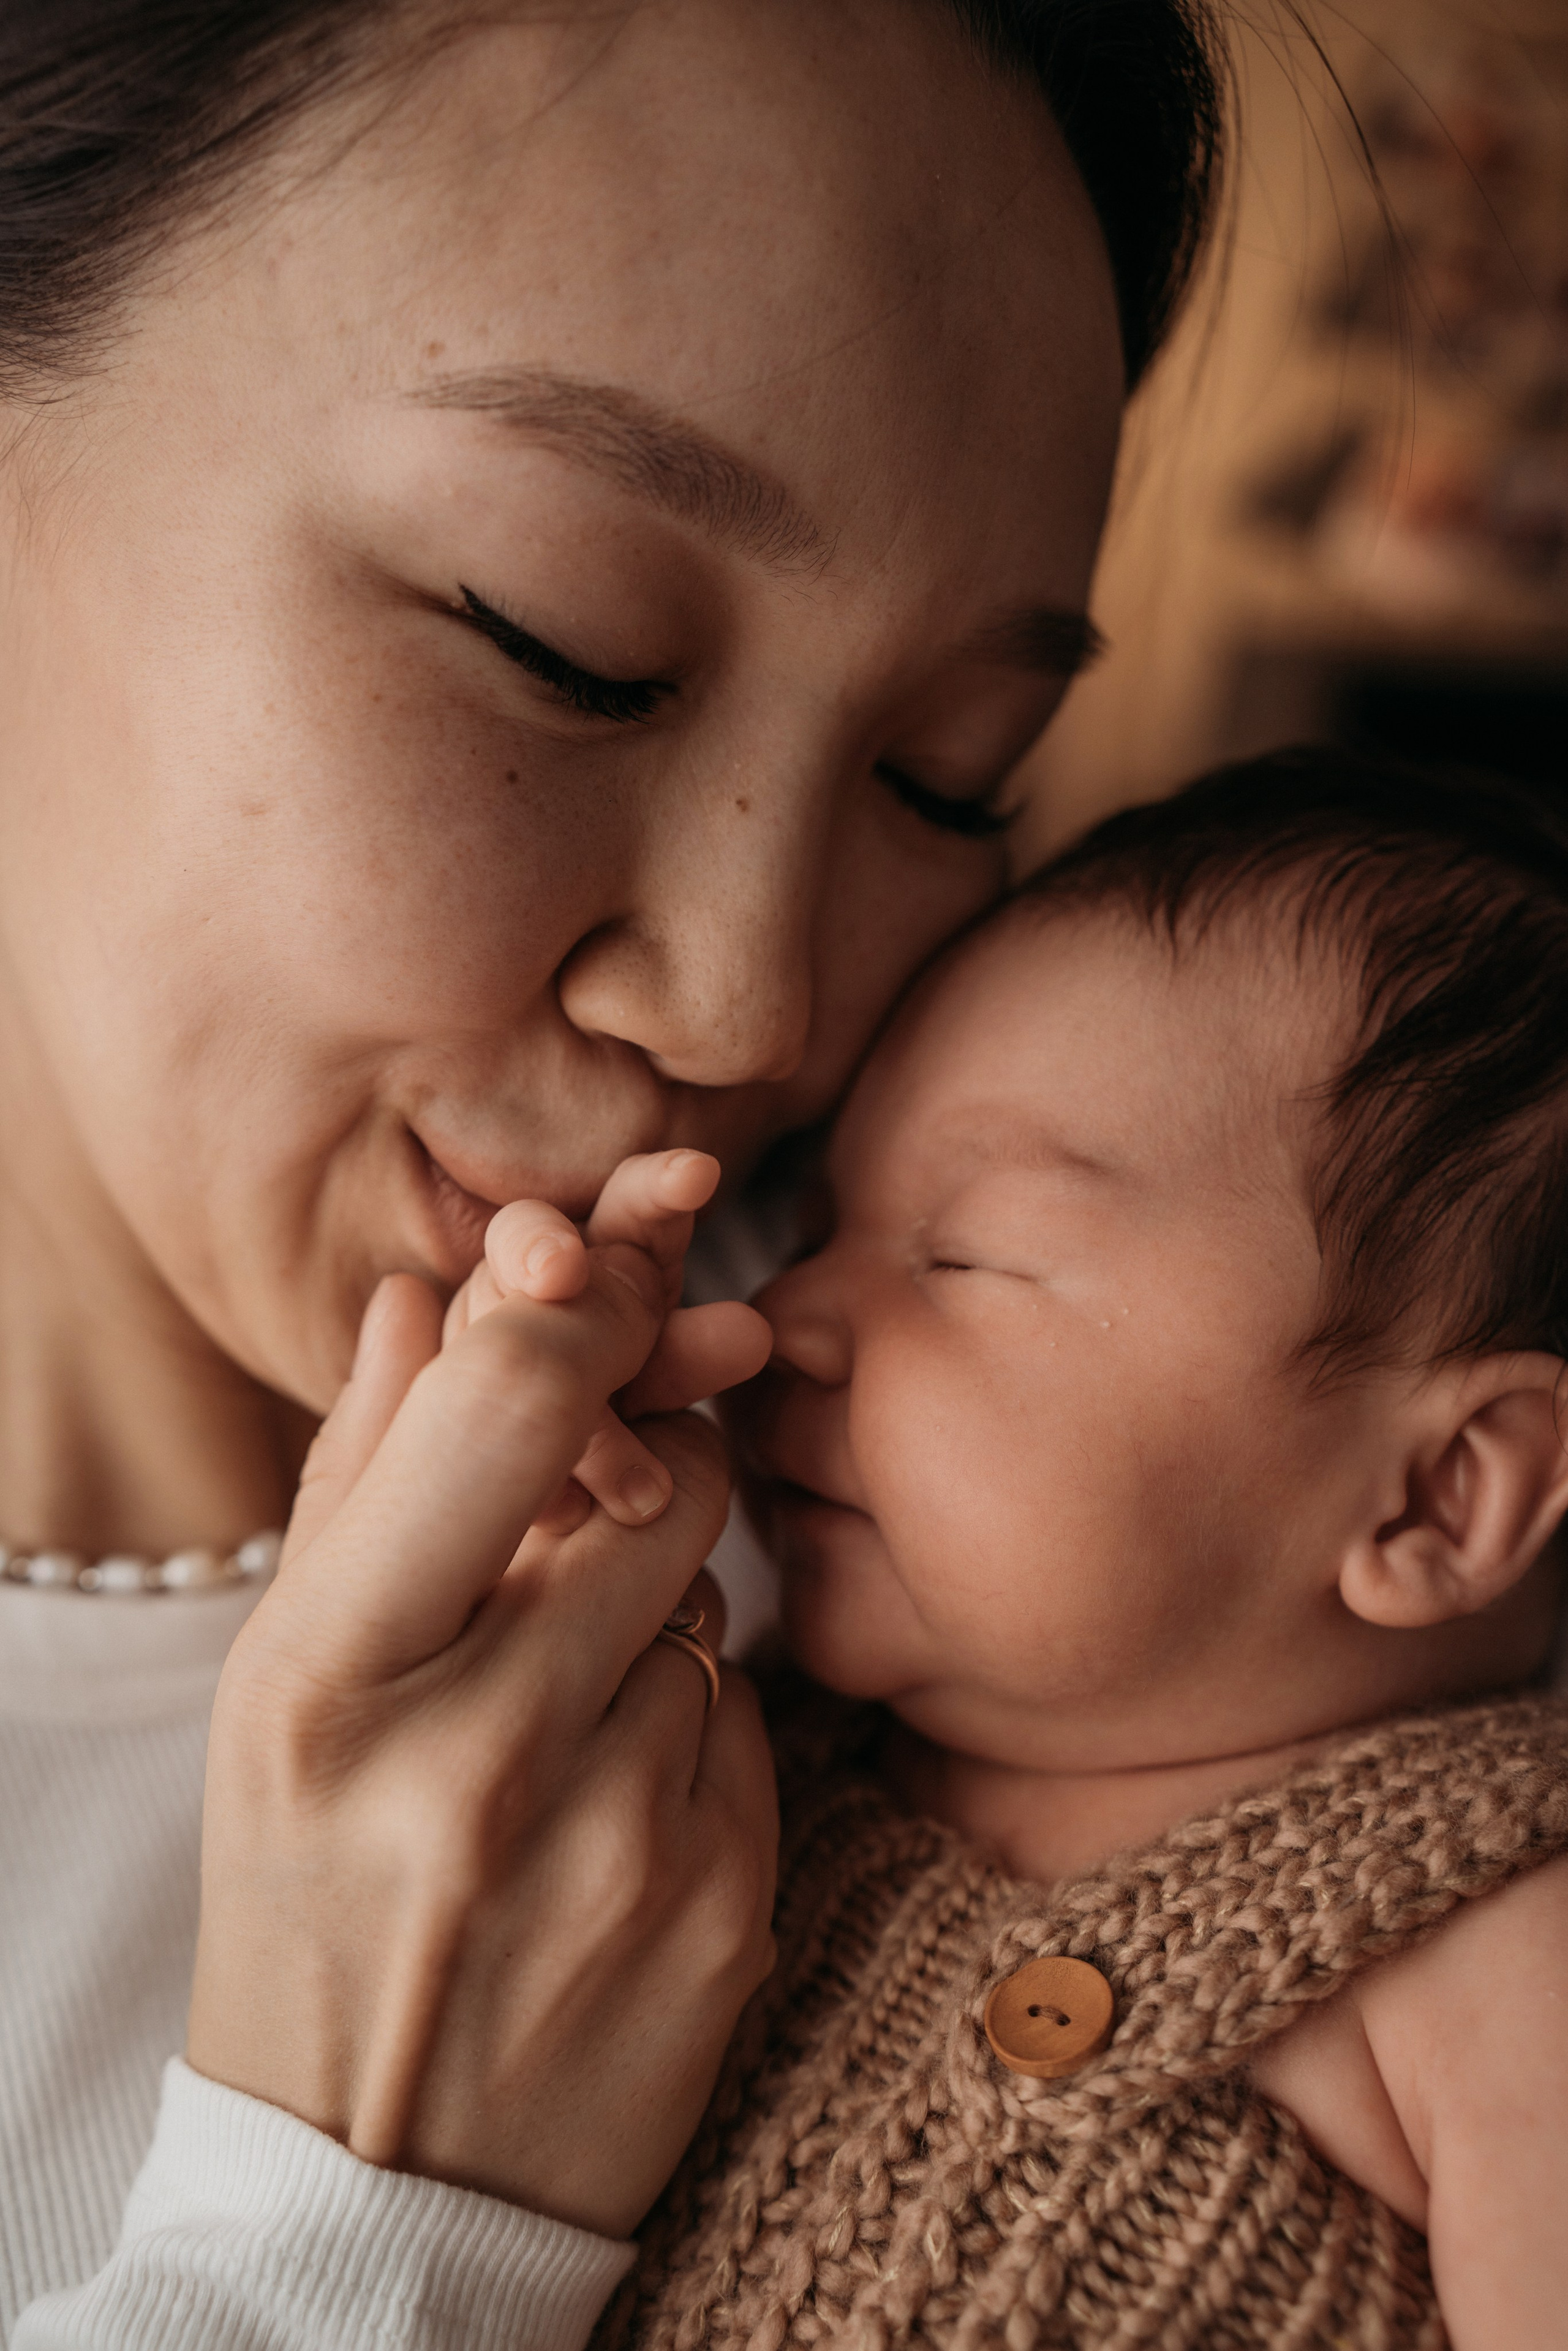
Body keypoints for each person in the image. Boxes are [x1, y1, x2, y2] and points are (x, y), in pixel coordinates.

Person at [0, 0, 1223, 2344]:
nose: (755, 1010)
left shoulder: (1019, 1449)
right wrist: (360, 2238)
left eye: (954, 777)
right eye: (564, 648)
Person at [619, 747, 1563, 2351]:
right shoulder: (729, 1756)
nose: (790, 1314)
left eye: (971, 1252)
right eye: (823, 1216)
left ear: (1435, 1502)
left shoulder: (1496, 1961)